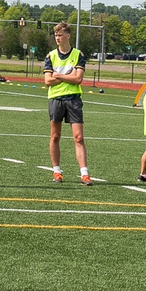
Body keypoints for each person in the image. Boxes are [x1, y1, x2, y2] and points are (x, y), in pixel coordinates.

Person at [43, 22, 91, 185]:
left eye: (60, 35)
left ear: (68, 36)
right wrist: (67, 75)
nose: (57, 38)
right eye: (56, 35)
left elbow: (78, 79)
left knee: (78, 137)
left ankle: (84, 174)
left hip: (73, 99)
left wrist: (59, 75)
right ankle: (57, 171)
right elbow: (48, 81)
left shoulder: (78, 55)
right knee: (55, 136)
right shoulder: (50, 56)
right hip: (55, 99)